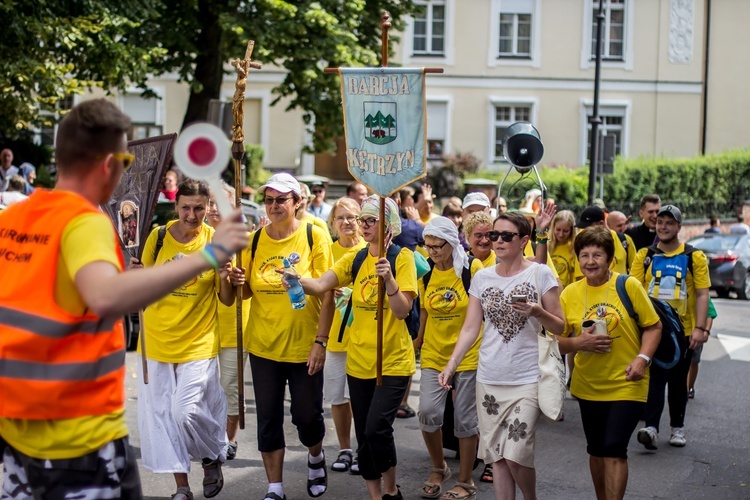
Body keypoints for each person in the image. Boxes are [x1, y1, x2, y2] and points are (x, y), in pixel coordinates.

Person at [0, 98, 247, 499]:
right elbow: (106, 296)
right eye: (126, 164)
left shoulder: (12, 220)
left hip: (18, 431)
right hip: (80, 437)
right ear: (108, 164)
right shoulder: (83, 223)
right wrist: (210, 256)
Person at [293, 195, 417, 500]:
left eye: (370, 220)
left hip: (393, 361)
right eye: (362, 220)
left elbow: (402, 311)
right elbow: (321, 285)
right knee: (364, 435)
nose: (363, 225)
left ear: (388, 225)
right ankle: (376, 495)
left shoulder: (403, 259)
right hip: (358, 361)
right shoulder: (357, 258)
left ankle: (391, 490)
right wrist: (295, 280)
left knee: (377, 429)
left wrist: (389, 281)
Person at [438, 211, 564, 500]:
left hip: (527, 379)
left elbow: (560, 324)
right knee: (498, 457)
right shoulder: (482, 278)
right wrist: (452, 364)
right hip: (489, 379)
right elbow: (470, 328)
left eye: (507, 236)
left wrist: (537, 311)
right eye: (495, 235)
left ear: (523, 241)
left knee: (517, 453)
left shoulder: (540, 273)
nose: (498, 241)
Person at [230, 173, 334, 500]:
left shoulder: (314, 236)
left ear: (297, 202)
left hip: (304, 347)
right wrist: (234, 278)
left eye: (281, 200)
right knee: (268, 419)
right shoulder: (254, 241)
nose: (274, 206)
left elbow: (328, 293)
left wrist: (321, 342)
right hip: (263, 346)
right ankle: (274, 487)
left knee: (307, 417)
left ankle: (315, 456)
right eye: (269, 200)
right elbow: (243, 293)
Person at [136, 179, 237, 500]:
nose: (192, 215)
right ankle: (182, 487)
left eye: (199, 208)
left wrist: (225, 277)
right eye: (186, 208)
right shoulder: (158, 237)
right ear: (176, 206)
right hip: (156, 341)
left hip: (198, 342)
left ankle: (211, 453)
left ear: (208, 208)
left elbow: (227, 300)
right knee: (164, 419)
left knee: (184, 412)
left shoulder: (216, 241)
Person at [555, 226, 661, 500]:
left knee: (614, 447)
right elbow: (556, 342)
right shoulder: (569, 294)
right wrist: (579, 343)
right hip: (588, 384)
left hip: (628, 381)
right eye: (585, 255)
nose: (590, 261)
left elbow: (653, 326)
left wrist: (642, 359)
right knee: (596, 449)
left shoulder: (628, 285)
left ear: (610, 259)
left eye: (597, 255)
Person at [631, 205, 711, 449]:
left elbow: (702, 294)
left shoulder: (693, 256)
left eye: (669, 222)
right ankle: (652, 428)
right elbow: (634, 291)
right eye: (660, 222)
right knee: (654, 379)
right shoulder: (644, 255)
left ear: (679, 226)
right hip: (652, 329)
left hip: (682, 332)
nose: (663, 226)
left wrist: (700, 328)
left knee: (678, 381)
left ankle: (678, 428)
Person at [415, 217, 483, 500]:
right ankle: (439, 467)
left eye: (436, 246)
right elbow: (425, 312)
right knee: (428, 413)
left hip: (469, 354)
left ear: (451, 243)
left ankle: (465, 481)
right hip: (434, 353)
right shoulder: (426, 272)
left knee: (465, 420)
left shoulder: (472, 268)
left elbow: (482, 311)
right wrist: (416, 342)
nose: (431, 251)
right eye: (427, 246)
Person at [206, 184, 253, 462]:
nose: (213, 209)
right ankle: (210, 436)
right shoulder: (196, 237)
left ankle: (228, 438)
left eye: (219, 204)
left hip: (235, 326)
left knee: (230, 387)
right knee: (206, 391)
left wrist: (240, 278)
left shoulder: (243, 241)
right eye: (210, 203)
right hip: (202, 328)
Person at [325, 197, 366, 475]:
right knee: (337, 397)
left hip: (364, 337)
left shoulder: (369, 250)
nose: (346, 223)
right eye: (340, 218)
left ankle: (365, 449)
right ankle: (344, 448)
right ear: (333, 223)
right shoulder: (327, 251)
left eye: (351, 217)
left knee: (360, 398)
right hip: (334, 337)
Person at [574, 206, 635, 277]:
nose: (584, 230)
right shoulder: (583, 243)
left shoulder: (624, 240)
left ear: (601, 223)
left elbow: (634, 270)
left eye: (588, 227)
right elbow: (580, 276)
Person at [688, 297, 717, 400]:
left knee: (694, 361)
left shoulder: (701, 293)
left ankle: (690, 387)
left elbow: (710, 314)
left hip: (696, 332)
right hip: (680, 331)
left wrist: (706, 331)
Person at [549, 210, 577, 289]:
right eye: (558, 230)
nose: (561, 234)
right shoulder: (545, 246)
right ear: (553, 227)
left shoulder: (574, 249)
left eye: (565, 231)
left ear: (571, 230)